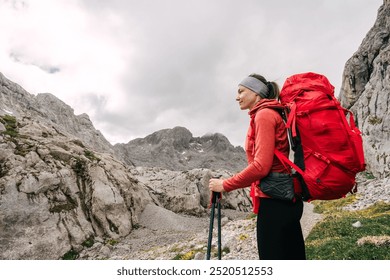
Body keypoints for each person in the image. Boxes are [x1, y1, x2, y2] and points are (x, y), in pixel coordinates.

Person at [208, 73, 306, 260]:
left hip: (275, 203)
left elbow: (261, 166)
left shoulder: (264, 115)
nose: (237, 97)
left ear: (256, 92)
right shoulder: (269, 113)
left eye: (241, 91)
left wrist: (225, 184)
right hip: (283, 199)